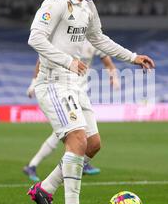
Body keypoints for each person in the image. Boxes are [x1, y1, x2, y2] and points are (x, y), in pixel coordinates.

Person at [26, 0, 154, 204]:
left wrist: (133, 57)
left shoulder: (87, 6)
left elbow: (99, 39)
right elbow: (35, 38)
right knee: (77, 141)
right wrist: (67, 60)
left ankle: (44, 189)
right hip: (53, 83)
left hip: (74, 86)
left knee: (93, 145)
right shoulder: (56, 2)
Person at [23, 42, 120, 182]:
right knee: (72, 133)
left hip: (81, 92)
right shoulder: (67, 36)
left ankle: (33, 165)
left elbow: (108, 62)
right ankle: (71, 165)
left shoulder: (93, 40)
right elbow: (42, 59)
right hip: (64, 92)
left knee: (72, 133)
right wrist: (34, 82)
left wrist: (114, 77)